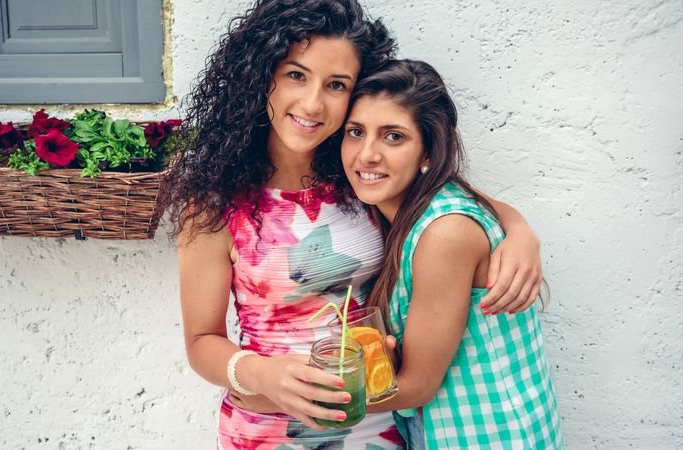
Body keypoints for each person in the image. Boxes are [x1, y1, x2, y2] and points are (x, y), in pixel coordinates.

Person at [159, 1, 543, 448]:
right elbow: (202, 341)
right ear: (262, 76)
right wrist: (265, 376)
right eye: (296, 75)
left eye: (336, 85)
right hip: (268, 426)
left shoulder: (359, 175)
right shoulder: (214, 203)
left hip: (376, 420)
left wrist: (519, 232)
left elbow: (454, 202)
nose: (312, 103)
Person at [342, 59, 564, 449]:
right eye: (356, 132)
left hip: (486, 438)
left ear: (428, 152)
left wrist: (274, 396)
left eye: (393, 137)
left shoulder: (445, 233)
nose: (367, 155)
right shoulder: (414, 210)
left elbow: (418, 386)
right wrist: (519, 227)